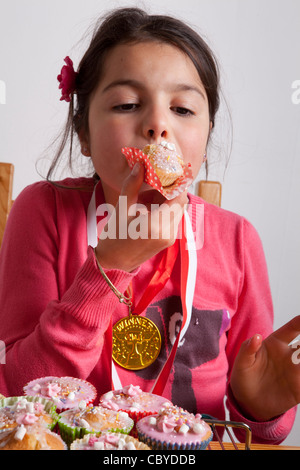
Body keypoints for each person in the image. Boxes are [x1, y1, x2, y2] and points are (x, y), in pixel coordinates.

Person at [0, 7, 299, 445]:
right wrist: (111, 264)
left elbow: (250, 429)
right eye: (126, 104)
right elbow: (20, 396)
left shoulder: (237, 239)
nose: (158, 126)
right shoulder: (43, 210)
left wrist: (258, 405)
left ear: (206, 131)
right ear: (83, 131)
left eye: (182, 108)